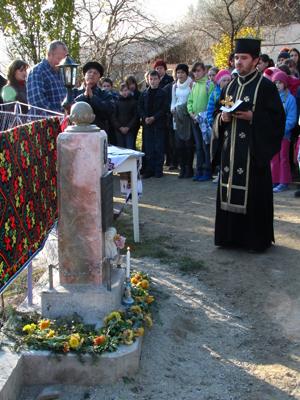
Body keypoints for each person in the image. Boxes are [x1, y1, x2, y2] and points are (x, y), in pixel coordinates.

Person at [211, 38, 285, 252]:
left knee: (252, 195)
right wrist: (221, 120)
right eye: (236, 58)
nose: (238, 62)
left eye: (243, 58)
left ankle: (253, 241)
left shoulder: (266, 87)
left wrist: (254, 117)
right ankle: (228, 237)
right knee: (228, 190)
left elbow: (277, 121)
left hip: (252, 154)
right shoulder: (230, 86)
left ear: (255, 61)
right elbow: (217, 113)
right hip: (229, 152)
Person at [138, 70, 168, 178]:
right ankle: (149, 169)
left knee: (158, 147)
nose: (153, 81)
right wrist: (145, 117)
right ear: (148, 80)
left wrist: (154, 117)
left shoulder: (163, 93)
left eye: (155, 79)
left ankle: (158, 169)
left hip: (158, 124)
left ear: (159, 80)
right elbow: (140, 108)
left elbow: (164, 108)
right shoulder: (144, 93)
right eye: (151, 79)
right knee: (148, 147)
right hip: (147, 124)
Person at [271, 71, 297, 193]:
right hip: (272, 134)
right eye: (275, 82)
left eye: (280, 82)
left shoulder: (290, 98)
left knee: (283, 157)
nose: (277, 85)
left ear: (285, 84)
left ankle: (284, 181)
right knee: (273, 158)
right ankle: (274, 180)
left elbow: (292, 118)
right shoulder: (271, 98)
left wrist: (281, 130)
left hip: (284, 134)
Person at [187, 62, 214, 181]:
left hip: (205, 121)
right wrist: (192, 113)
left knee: (205, 146)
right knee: (198, 147)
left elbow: (211, 102)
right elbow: (190, 101)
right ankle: (198, 171)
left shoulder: (209, 84)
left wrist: (203, 116)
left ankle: (207, 171)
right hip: (195, 121)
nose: (196, 73)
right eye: (194, 71)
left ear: (204, 71)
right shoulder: (194, 85)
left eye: (198, 71)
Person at [27, 40, 68, 112]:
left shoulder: (62, 72)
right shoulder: (37, 71)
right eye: (59, 59)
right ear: (49, 55)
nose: (62, 63)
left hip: (63, 120)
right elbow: (38, 103)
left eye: (64, 59)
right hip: (44, 121)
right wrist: (60, 115)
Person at [73, 61, 114, 132]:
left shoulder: (105, 94)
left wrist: (92, 97)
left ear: (99, 78)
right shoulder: (74, 92)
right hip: (76, 134)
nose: (92, 74)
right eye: (89, 72)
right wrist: (84, 95)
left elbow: (108, 112)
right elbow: (70, 108)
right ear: (84, 75)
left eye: (95, 73)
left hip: (98, 133)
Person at [170, 63, 193, 178]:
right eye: (178, 72)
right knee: (179, 145)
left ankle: (189, 169)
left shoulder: (191, 84)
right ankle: (182, 168)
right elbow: (173, 101)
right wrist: (173, 109)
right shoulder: (175, 86)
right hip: (177, 117)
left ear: (186, 73)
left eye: (182, 72)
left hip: (188, 117)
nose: (180, 75)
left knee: (188, 145)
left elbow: (192, 100)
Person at [112, 82, 138, 150]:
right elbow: (113, 117)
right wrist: (120, 127)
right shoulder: (116, 102)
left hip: (130, 130)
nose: (124, 92)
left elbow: (135, 116)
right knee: (121, 149)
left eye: (126, 90)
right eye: (122, 91)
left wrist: (128, 127)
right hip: (119, 130)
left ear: (129, 91)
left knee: (130, 148)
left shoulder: (133, 102)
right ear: (120, 92)